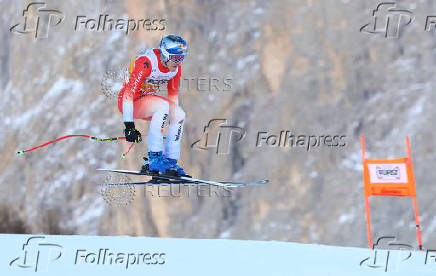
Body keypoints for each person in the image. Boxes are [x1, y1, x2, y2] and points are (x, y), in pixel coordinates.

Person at [117, 34, 188, 176]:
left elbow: (173, 98)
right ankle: (155, 159)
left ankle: (170, 162)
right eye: (175, 58)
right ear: (165, 54)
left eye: (182, 58)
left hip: (147, 101)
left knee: (179, 114)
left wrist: (174, 118)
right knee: (163, 106)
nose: (178, 62)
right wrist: (129, 127)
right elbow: (128, 94)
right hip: (129, 101)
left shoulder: (175, 69)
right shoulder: (147, 63)